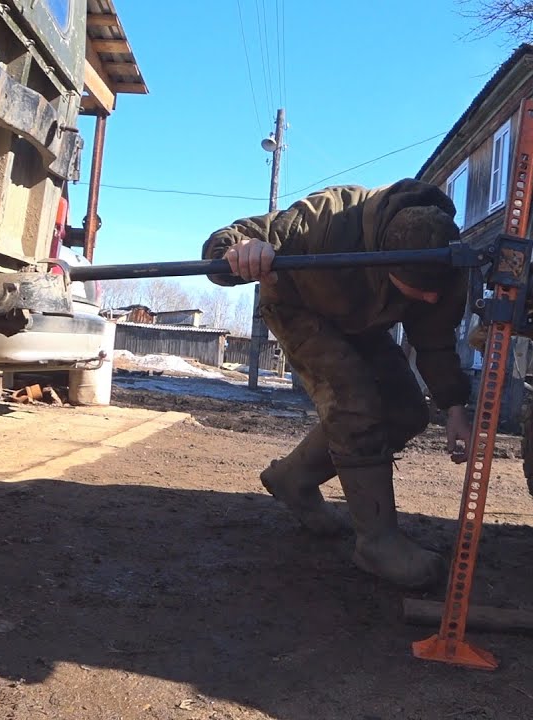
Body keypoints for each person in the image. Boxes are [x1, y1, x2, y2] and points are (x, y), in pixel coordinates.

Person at [202, 179, 473, 589]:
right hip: (298, 307)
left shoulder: (441, 264)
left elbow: (434, 339)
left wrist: (454, 407)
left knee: (407, 411)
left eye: (434, 291)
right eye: (418, 291)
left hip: (360, 319)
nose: (430, 300)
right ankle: (376, 543)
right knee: (355, 404)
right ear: (383, 261)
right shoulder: (325, 218)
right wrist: (237, 251)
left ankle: (292, 480)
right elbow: (232, 239)